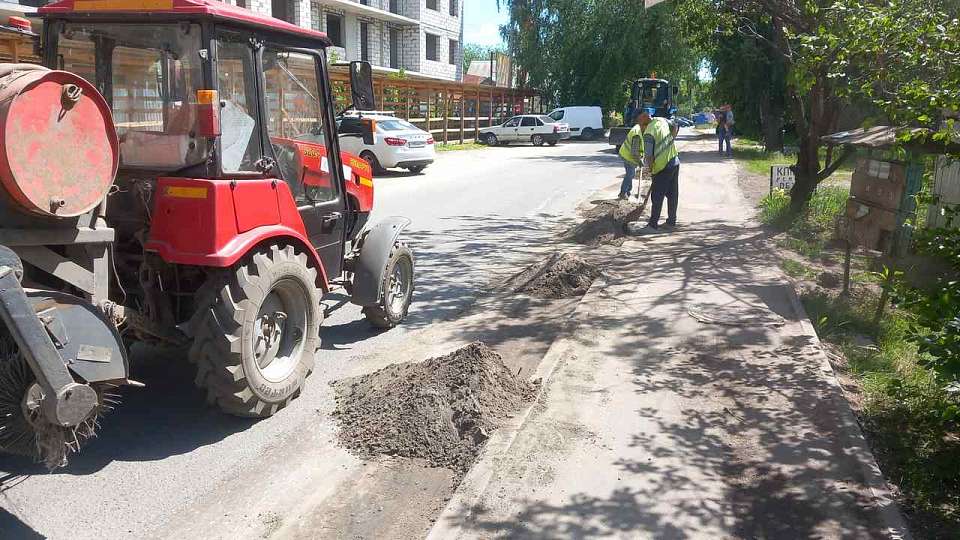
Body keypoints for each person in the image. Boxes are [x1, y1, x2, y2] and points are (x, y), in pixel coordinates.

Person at [636, 107, 680, 231]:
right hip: (674, 160)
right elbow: (675, 126)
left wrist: (650, 170)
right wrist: (671, 140)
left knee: (657, 196)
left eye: (638, 120)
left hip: (662, 167)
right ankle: (671, 222)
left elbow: (649, 157)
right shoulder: (661, 120)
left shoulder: (649, 133)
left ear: (644, 116)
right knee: (672, 194)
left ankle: (652, 225)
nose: (638, 124)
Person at [617, 112, 644, 200]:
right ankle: (623, 192)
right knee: (630, 174)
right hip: (628, 156)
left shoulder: (639, 128)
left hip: (626, 154)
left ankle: (628, 191)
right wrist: (640, 161)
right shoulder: (637, 133)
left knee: (630, 174)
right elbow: (634, 152)